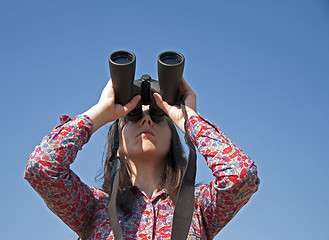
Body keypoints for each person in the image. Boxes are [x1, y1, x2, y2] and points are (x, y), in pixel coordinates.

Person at [24, 78, 259, 239]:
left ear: (174, 141)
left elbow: (240, 176)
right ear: (116, 147)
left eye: (158, 117)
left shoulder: (200, 206)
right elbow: (42, 168)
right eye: (133, 117)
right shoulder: (94, 208)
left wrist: (189, 120)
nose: (146, 120)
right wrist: (100, 113)